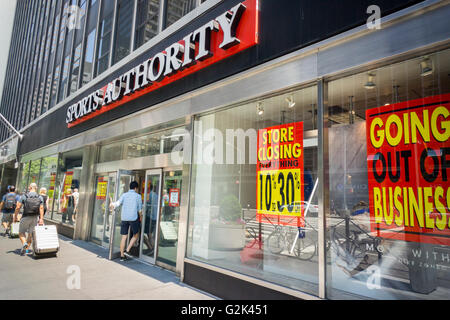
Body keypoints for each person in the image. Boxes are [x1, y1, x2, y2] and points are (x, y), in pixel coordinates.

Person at [110, 181, 142, 261]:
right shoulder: (138, 196)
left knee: (124, 237)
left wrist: (112, 204)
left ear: (130, 187)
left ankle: (122, 256)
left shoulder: (124, 195)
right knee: (136, 234)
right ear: (135, 188)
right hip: (133, 218)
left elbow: (117, 203)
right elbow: (140, 209)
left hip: (124, 218)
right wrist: (141, 217)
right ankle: (127, 251)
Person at [13, 183, 44, 256]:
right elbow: (41, 208)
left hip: (25, 216)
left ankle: (24, 243)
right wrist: (41, 219)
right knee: (30, 235)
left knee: (21, 232)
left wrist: (15, 216)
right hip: (35, 218)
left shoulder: (24, 196)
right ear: (36, 188)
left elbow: (18, 207)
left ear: (29, 188)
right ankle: (26, 250)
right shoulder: (40, 197)